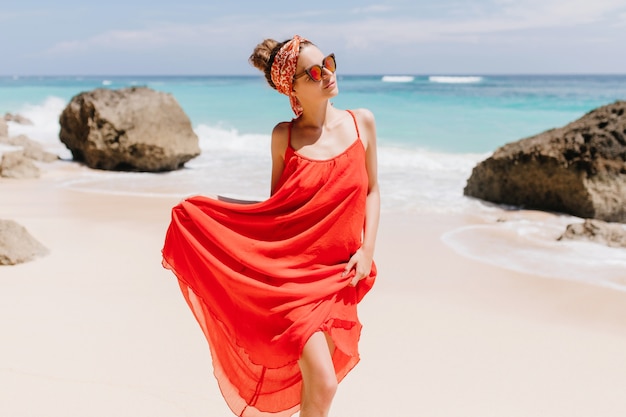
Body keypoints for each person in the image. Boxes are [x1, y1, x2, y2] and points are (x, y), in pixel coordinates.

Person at [161, 34, 380, 417]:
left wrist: (367, 251)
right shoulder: (286, 137)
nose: (326, 74)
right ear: (291, 88)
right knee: (324, 383)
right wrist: (209, 209)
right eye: (313, 72)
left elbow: (373, 191)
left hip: (339, 274)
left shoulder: (362, 123)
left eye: (328, 62)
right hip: (293, 280)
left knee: (318, 388)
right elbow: (277, 213)